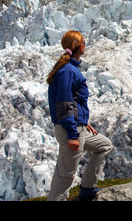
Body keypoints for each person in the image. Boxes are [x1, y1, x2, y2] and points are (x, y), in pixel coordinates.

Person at [46, 30, 113, 201]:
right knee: (65, 176)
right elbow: (65, 104)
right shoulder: (68, 71)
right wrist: (73, 133)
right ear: (80, 46)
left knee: (104, 145)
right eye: (84, 42)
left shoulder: (69, 69)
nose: (85, 45)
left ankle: (87, 189)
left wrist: (83, 122)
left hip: (78, 126)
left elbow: (74, 102)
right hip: (72, 130)